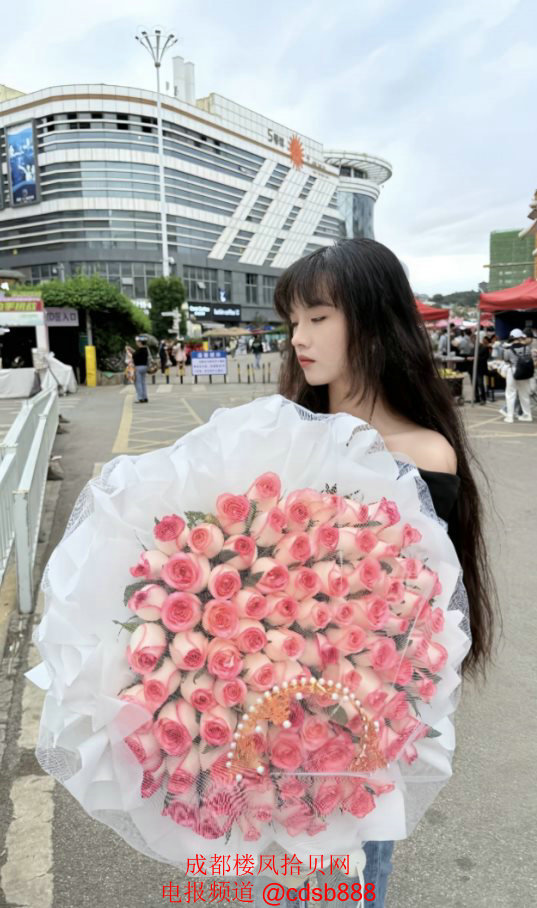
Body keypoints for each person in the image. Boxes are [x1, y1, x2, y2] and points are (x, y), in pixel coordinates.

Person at [273, 238, 497, 907]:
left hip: (355, 729)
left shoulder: (421, 455)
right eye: (293, 320)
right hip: (264, 714)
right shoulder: (281, 436)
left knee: (347, 883)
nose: (298, 338)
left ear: (374, 322)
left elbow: (410, 615)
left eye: (318, 317)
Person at [502, 328, 533, 423]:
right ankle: (527, 415)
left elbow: (506, 360)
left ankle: (510, 416)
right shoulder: (527, 348)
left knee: (510, 394)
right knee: (524, 394)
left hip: (513, 371)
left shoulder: (507, 349)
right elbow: (529, 358)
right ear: (520, 337)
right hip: (525, 371)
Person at [475, 335, 491, 405]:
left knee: (480, 383)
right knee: (476, 384)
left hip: (481, 368)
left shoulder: (485, 348)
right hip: (476, 368)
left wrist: (476, 358)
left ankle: (483, 398)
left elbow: (485, 357)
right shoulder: (477, 347)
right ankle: (477, 398)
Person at [132, 337, 149, 403]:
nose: (136, 343)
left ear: (140, 342)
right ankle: (145, 397)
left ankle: (140, 398)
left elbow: (134, 356)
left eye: (137, 342)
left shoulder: (139, 350)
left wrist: (130, 351)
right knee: (143, 382)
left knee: (138, 383)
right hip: (145, 367)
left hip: (138, 367)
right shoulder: (146, 349)